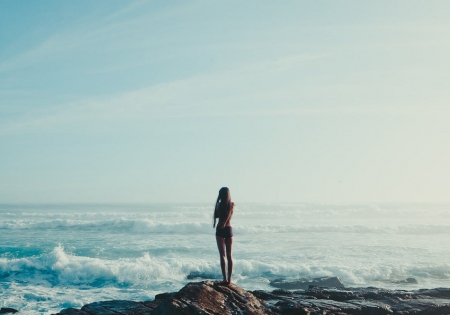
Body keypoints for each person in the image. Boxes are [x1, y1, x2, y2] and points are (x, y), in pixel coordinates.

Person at [213, 187, 235, 285]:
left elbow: (217, 216)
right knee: (230, 256)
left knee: (222, 255)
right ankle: (230, 279)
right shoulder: (232, 205)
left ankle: (224, 278)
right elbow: (229, 215)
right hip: (229, 229)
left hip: (220, 230)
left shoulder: (218, 205)